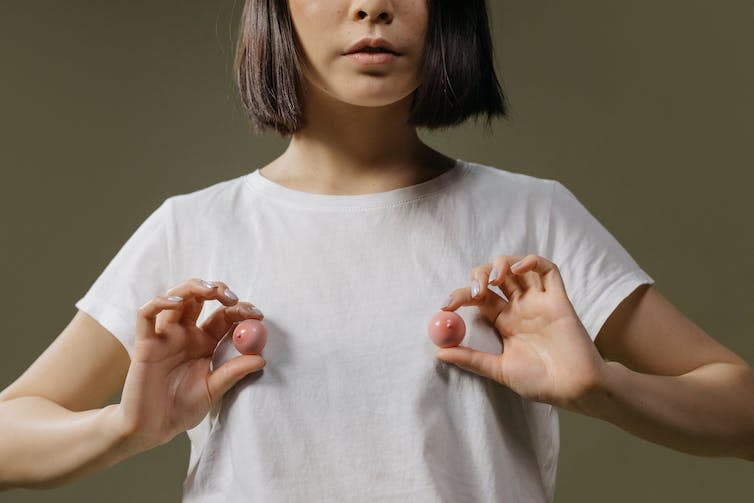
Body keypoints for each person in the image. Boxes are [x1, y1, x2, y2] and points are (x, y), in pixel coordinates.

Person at [1, 0, 753, 501]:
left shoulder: (531, 220)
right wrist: (126, 430)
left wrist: (605, 388)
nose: (373, 6)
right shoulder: (192, 229)